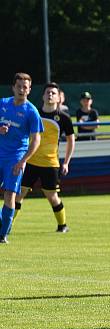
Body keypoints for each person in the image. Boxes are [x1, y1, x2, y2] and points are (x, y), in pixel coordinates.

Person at [17, 82, 76, 233]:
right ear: (43, 96)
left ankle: (62, 225)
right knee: (18, 194)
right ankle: (6, 226)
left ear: (59, 98)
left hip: (50, 164)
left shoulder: (63, 118)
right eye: (47, 92)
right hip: (30, 161)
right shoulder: (33, 113)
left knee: (52, 196)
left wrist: (66, 162)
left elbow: (71, 140)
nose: (50, 95)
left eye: (53, 93)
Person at [0, 73, 43, 244]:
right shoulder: (2, 103)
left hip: (16, 157)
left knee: (9, 194)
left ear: (30, 90)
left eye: (25, 87)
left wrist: (23, 160)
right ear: (13, 87)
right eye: (19, 86)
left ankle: (3, 234)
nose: (22, 89)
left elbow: (36, 139)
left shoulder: (31, 112)